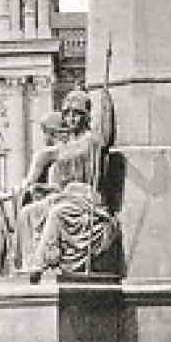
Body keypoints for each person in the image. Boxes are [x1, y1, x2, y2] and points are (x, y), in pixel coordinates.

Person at [21, 89, 121, 276]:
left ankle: (42, 262)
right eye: (67, 113)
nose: (71, 118)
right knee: (27, 213)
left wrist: (106, 99)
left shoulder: (92, 140)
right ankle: (26, 264)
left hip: (87, 198)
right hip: (65, 196)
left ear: (85, 116)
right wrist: (41, 189)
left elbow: (107, 134)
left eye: (76, 113)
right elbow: (57, 185)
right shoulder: (62, 149)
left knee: (58, 213)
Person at [0, 111, 66, 283]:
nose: (45, 137)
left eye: (46, 133)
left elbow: (27, 184)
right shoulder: (73, 149)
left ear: (52, 133)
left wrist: (4, 195)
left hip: (50, 203)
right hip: (56, 200)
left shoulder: (45, 154)